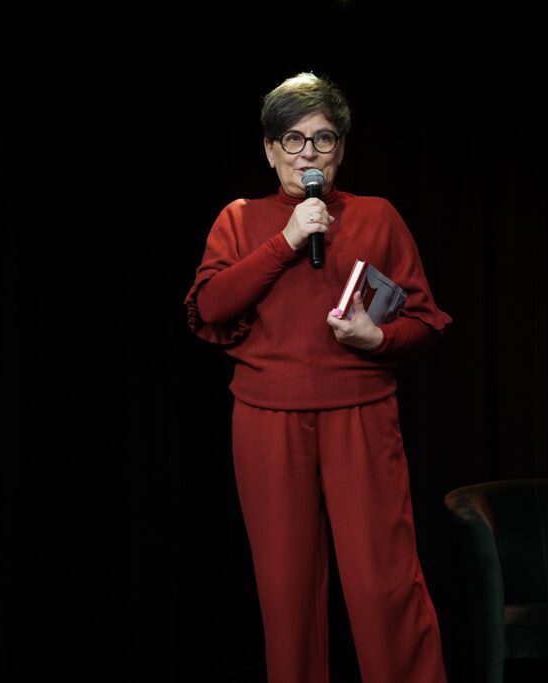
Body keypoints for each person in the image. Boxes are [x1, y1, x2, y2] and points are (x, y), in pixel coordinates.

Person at [185, 72, 452, 683]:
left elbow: (425, 321)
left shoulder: (378, 217)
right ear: (269, 149)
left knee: (385, 587)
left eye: (323, 139)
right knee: (287, 596)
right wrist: (286, 240)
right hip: (267, 418)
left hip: (361, 414)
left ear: (341, 148)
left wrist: (377, 339)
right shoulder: (239, 220)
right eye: (293, 139)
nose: (308, 153)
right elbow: (211, 306)